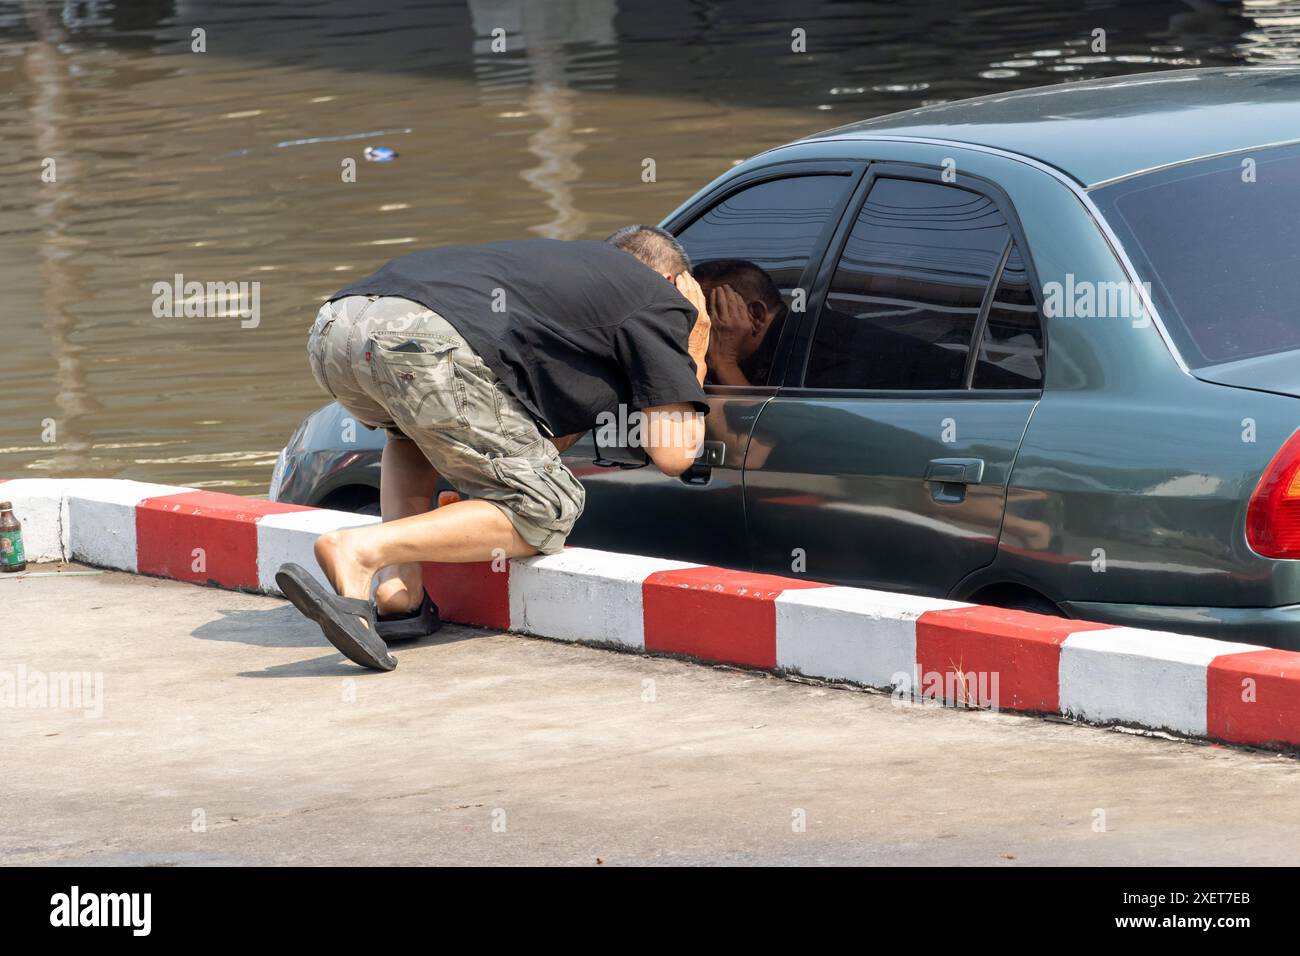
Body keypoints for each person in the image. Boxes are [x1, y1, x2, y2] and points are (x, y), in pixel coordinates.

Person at [276, 227, 712, 671]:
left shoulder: (563, 276)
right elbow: (674, 454)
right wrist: (695, 341)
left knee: (411, 434)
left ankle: (398, 592)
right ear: (678, 281)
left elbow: (530, 429)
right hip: (422, 341)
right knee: (544, 507)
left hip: (336, 326)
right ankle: (361, 550)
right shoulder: (656, 297)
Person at [693, 259, 788, 387]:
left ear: (756, 315)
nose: (697, 330)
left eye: (710, 317)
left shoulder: (808, 349)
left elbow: (773, 407)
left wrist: (724, 362)